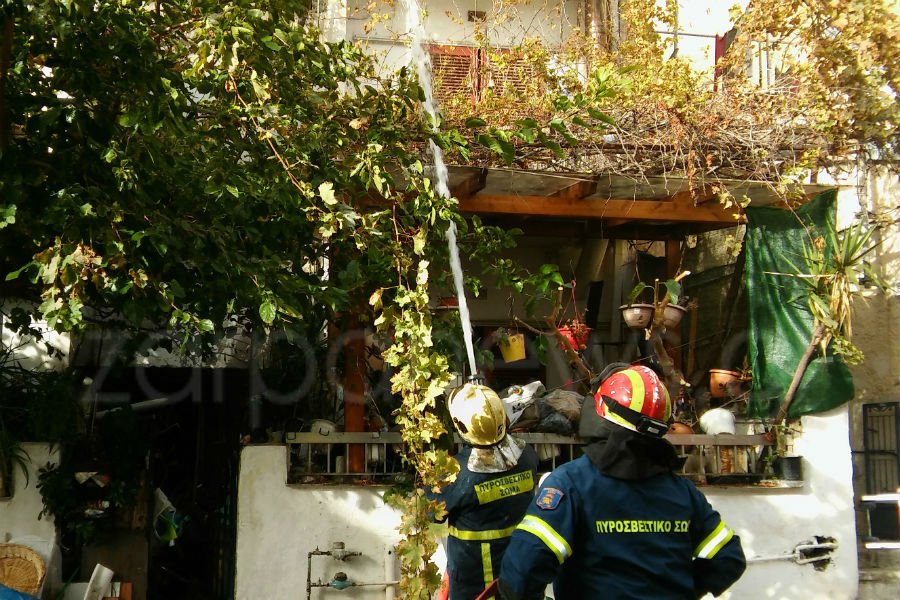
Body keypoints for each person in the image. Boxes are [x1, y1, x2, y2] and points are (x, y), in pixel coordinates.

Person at [498, 364, 746, 600]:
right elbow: (728, 558)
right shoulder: (682, 492)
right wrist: (684, 590)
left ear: (601, 412)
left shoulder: (571, 484)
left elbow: (521, 573)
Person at [429, 380, 539, 600]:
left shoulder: (457, 474)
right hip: (518, 575)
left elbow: (431, 512)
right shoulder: (527, 456)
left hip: (476, 585)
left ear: (462, 427)